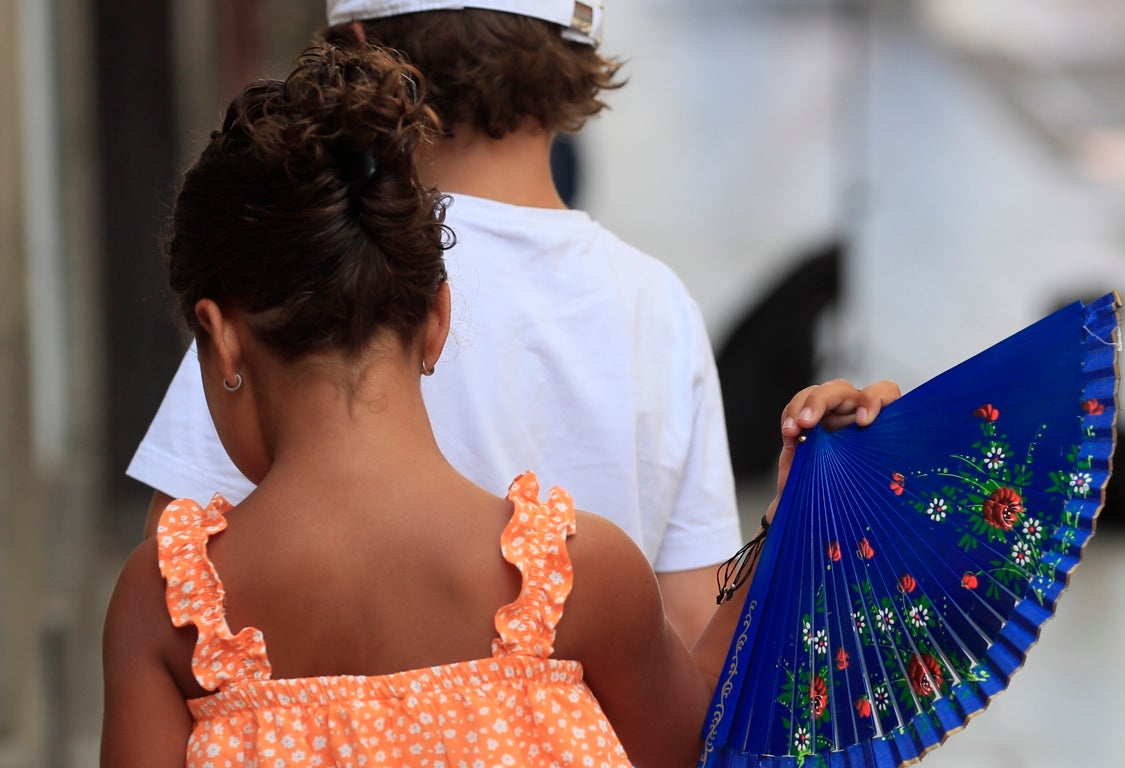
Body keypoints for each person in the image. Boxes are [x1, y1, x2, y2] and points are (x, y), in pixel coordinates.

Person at [100, 43, 899, 767]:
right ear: (437, 318)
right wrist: (796, 521)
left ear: (222, 337)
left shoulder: (166, 605)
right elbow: (709, 743)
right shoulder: (579, 577)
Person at [129, 0, 737, 644]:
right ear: (578, 45)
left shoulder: (324, 259)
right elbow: (694, 621)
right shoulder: (660, 304)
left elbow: (181, 585)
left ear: (356, 51)